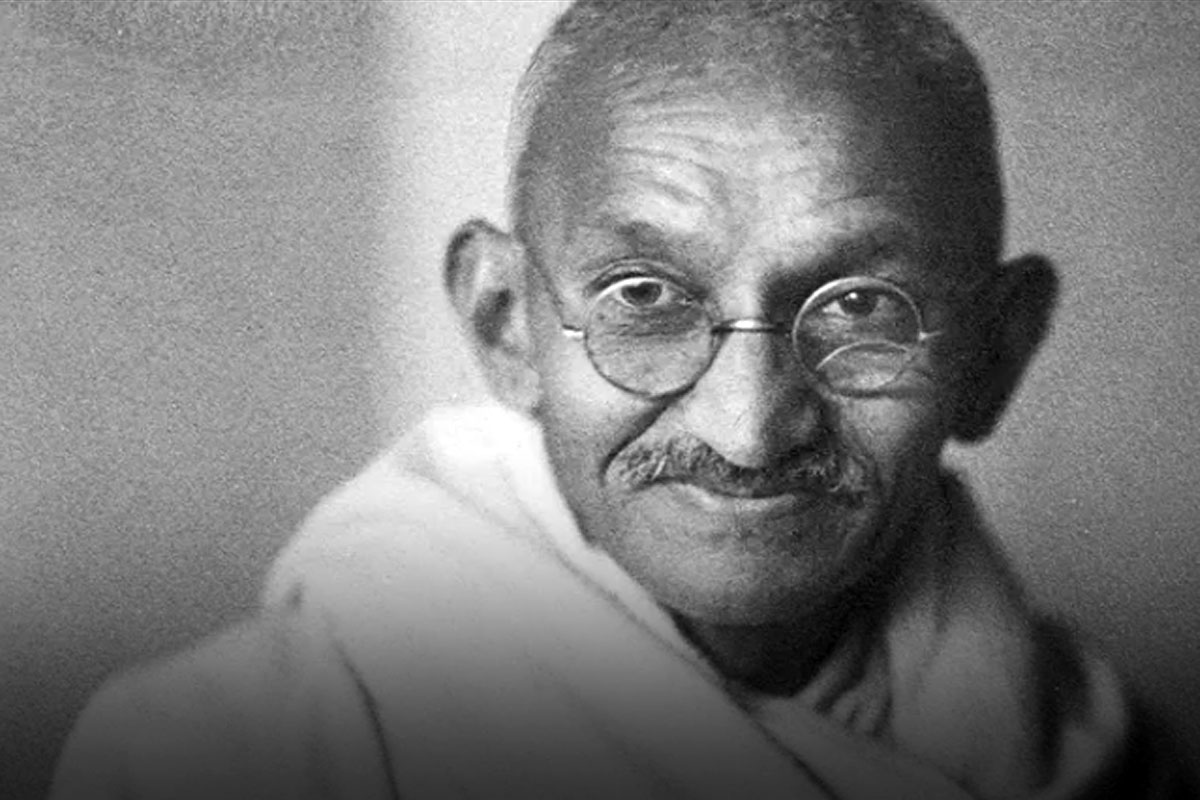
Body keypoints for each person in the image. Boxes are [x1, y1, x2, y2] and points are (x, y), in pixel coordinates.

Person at [49, 2, 1188, 798]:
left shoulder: (1110, 757)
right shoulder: (214, 754)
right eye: (645, 297)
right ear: (505, 322)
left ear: (995, 354)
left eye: (857, 306)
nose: (749, 427)